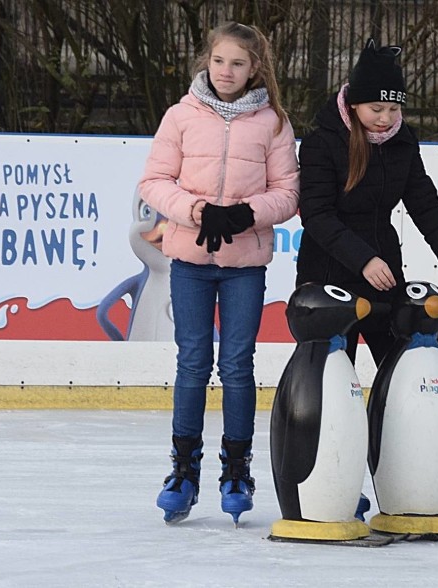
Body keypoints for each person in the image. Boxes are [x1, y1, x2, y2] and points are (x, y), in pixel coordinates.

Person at [295, 39, 438, 519]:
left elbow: (425, 204)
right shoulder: (322, 141)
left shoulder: (402, 141)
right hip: (330, 279)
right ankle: (336, 480)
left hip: (382, 278)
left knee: (400, 377)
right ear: (353, 102)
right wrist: (361, 260)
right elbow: (315, 214)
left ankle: (414, 472)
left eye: (392, 108)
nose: (384, 118)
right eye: (376, 107)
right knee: (336, 385)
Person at [138, 22, 299, 525]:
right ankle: (183, 472)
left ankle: (237, 470)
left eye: (238, 63)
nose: (226, 71)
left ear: (256, 69)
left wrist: (245, 214)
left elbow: (289, 193)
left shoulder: (273, 123)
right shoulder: (181, 116)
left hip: (243, 267)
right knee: (192, 362)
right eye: (219, 60)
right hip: (188, 261)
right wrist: (197, 211)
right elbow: (154, 181)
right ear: (206, 62)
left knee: (235, 364)